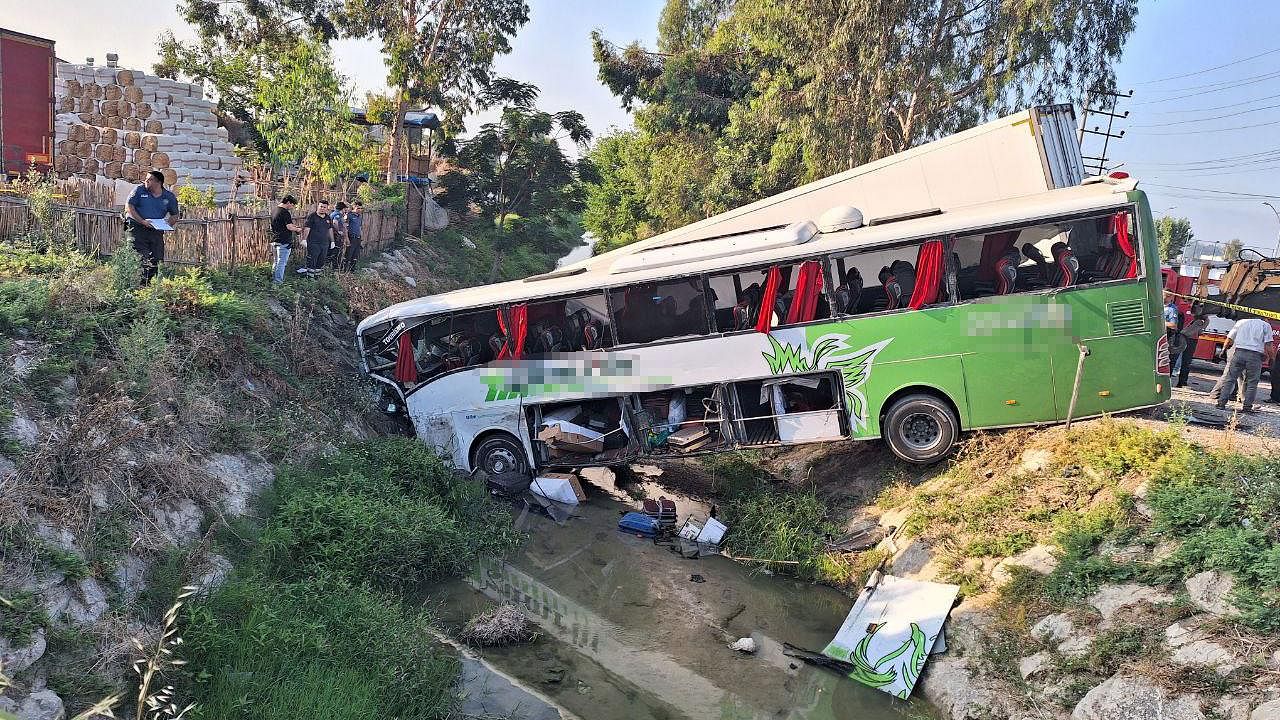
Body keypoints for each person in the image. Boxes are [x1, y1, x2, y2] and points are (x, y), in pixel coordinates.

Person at [1208, 316, 1276, 413]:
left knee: (1230, 379)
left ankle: (1221, 403)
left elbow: (1229, 338)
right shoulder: (1265, 325)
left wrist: (1223, 350)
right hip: (1255, 356)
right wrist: (1272, 358)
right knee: (1252, 382)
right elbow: (1268, 344)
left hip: (1238, 353)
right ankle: (1247, 407)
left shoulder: (1241, 322)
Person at [125, 170, 180, 285]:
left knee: (157, 257)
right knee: (142, 256)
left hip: (156, 229)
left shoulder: (169, 197)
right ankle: (137, 283)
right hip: (137, 227)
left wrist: (167, 225)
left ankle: (147, 284)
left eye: (149, 179)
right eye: (146, 179)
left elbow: (174, 215)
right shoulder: (139, 190)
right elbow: (129, 206)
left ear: (158, 182)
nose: (146, 181)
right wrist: (142, 221)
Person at [269, 195, 305, 284]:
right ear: (288, 202)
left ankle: (273, 279)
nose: (292, 207)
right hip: (283, 241)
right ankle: (278, 282)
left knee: (276, 262)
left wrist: (294, 226)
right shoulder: (285, 212)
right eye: (292, 205)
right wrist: (297, 229)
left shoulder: (274, 210)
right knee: (281, 263)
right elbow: (288, 226)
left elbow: (283, 225)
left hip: (275, 239)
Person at [1173, 304, 1209, 387]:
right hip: (1182, 336)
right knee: (1174, 358)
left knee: (1186, 361)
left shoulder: (1200, 309)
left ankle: (1182, 382)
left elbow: (1207, 320)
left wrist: (1200, 329)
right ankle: (1170, 380)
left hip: (1192, 338)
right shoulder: (1181, 307)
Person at [298, 199, 332, 276]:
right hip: (313, 243)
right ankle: (310, 278)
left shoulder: (328, 217)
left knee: (321, 260)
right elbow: (307, 228)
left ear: (327, 208)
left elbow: (330, 229)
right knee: (312, 260)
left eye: (324, 207)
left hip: (324, 243)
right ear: (318, 206)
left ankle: (317, 276)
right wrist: (304, 239)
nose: (322, 208)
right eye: (321, 206)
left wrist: (332, 241)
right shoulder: (312, 216)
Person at [343, 201, 364, 270]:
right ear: (354, 207)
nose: (360, 210)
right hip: (351, 238)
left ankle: (352, 269)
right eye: (358, 208)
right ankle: (344, 269)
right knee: (348, 254)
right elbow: (345, 227)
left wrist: (361, 238)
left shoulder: (359, 216)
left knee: (355, 255)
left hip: (358, 238)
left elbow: (360, 228)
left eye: (361, 208)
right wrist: (347, 239)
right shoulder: (349, 215)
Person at [328, 202, 349, 271]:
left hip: (331, 236)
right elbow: (335, 222)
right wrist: (338, 231)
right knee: (336, 253)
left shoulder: (332, 213)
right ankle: (335, 269)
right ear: (343, 209)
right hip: (336, 237)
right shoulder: (338, 214)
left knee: (332, 252)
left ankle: (331, 268)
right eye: (345, 209)